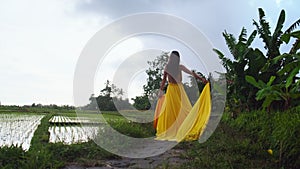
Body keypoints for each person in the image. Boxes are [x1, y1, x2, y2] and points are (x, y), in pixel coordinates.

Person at [154, 50, 211, 142]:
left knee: (183, 109)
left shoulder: (180, 67)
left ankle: (186, 127)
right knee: (170, 111)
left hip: (179, 89)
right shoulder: (167, 67)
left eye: (174, 58)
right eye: (171, 57)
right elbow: (164, 80)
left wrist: (201, 79)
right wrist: (160, 90)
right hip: (171, 90)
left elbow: (191, 73)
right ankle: (171, 129)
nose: (172, 59)